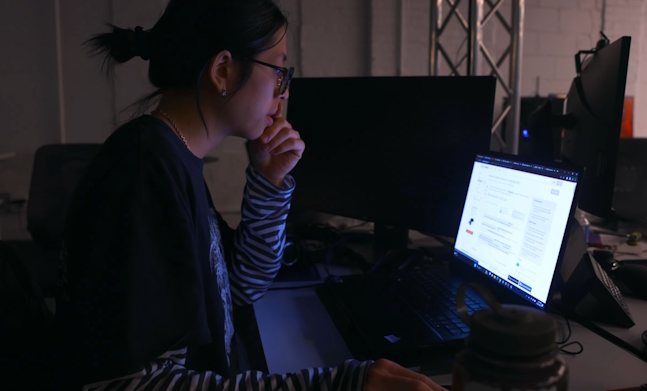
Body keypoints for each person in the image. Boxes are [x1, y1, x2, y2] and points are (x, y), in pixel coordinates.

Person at [51, 0, 447, 390]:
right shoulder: (143, 172)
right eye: (278, 70)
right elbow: (129, 384)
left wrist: (268, 181)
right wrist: (344, 384)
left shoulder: (174, 156)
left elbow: (237, 287)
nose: (284, 93)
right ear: (223, 70)